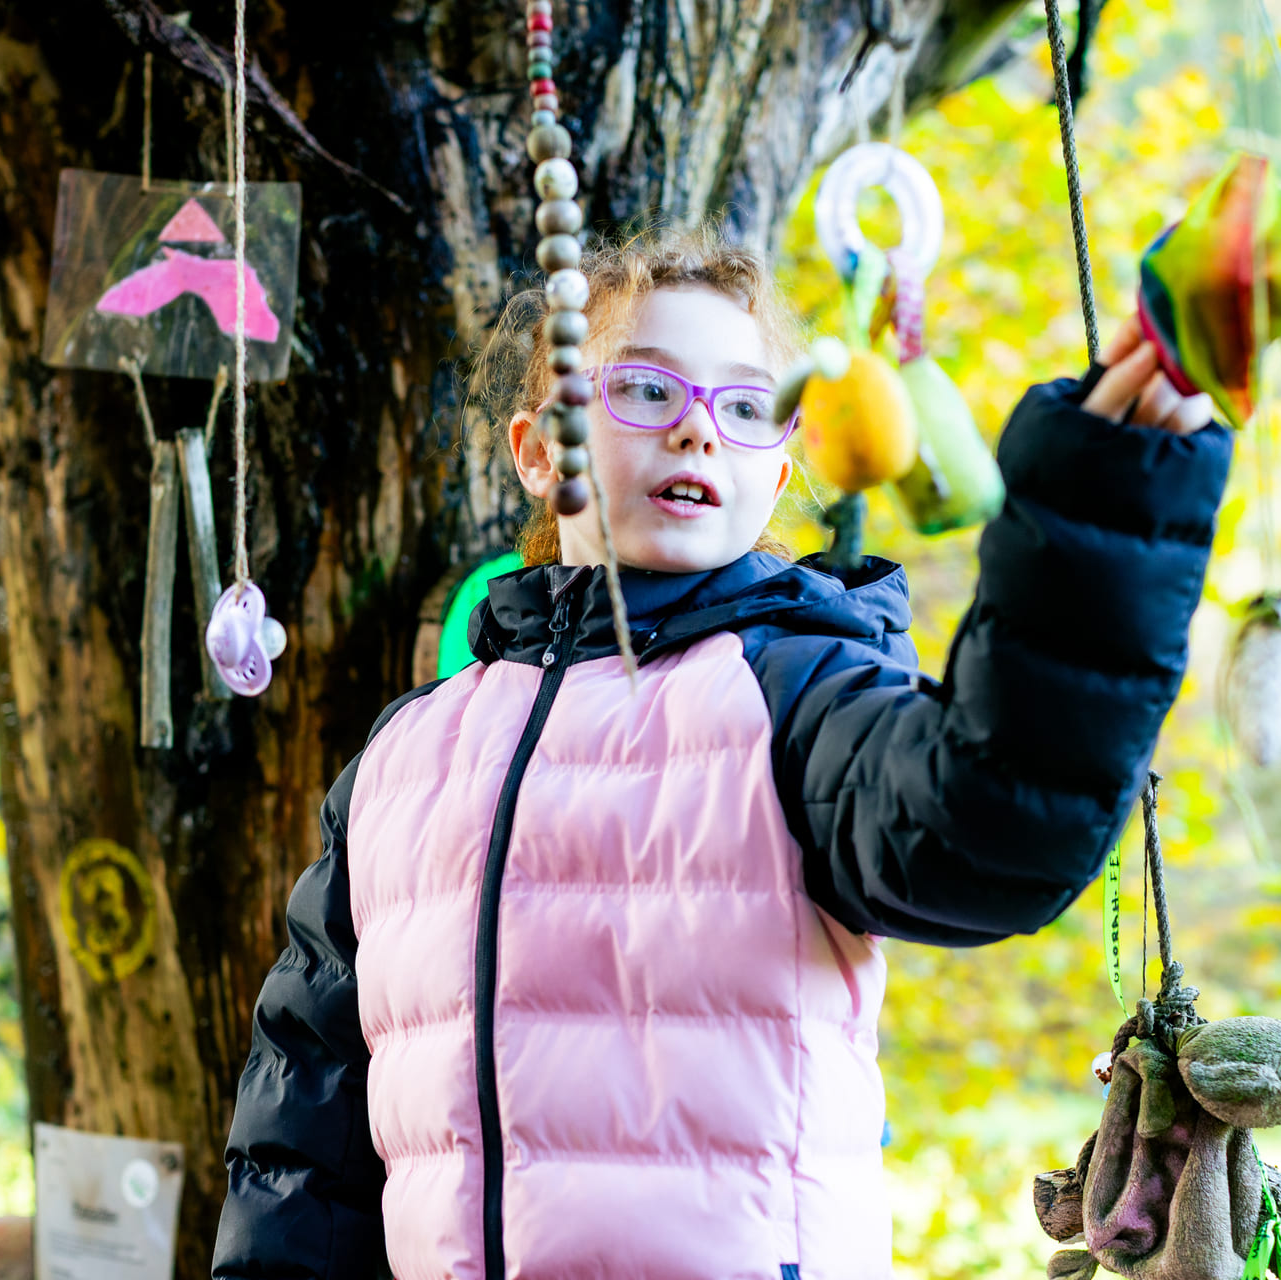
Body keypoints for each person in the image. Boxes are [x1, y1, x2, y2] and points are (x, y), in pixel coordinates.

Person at [211, 225, 1228, 1279]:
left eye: (745, 405)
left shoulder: (798, 696)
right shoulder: (405, 760)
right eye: (646, 389)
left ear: (777, 471)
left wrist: (1105, 516)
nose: (698, 429)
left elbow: (988, 827)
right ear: (538, 448)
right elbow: (303, 1144)